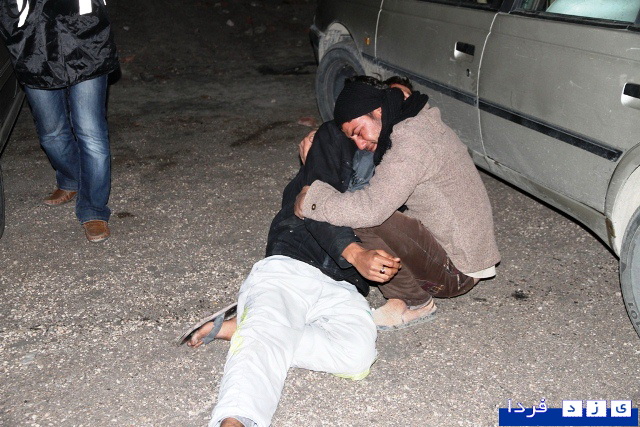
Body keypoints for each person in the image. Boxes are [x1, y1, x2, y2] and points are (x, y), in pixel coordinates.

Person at [181, 118, 403, 426]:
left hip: (343, 284)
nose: (362, 142)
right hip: (292, 264)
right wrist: (356, 252)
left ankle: (250, 328)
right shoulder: (331, 140)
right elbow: (310, 205)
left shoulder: (399, 161)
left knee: (357, 356)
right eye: (355, 132)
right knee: (263, 340)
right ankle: (236, 419)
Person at [295, 75, 501, 329]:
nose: (360, 143)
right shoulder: (414, 122)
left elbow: (371, 209)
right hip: (459, 253)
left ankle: (414, 302)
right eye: (352, 138)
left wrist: (312, 201)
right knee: (357, 207)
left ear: (378, 111)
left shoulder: (413, 140)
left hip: (457, 272)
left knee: (363, 215)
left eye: (358, 132)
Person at [0, 0, 119, 242]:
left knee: (92, 135)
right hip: (33, 45)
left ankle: (93, 209)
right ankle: (72, 176)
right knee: (51, 133)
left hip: (86, 40)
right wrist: (17, 24)